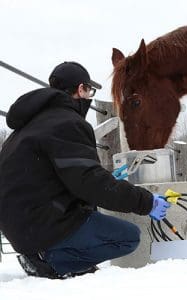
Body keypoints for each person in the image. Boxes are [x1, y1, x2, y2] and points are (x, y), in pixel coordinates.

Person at [0, 61, 170, 279]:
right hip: (41, 227)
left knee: (90, 211)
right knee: (128, 237)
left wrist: (105, 177)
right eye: (89, 90)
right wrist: (146, 202)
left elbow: (65, 176)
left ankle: (46, 254)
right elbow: (91, 184)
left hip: (21, 227)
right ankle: (52, 261)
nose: (89, 96)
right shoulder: (68, 123)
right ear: (80, 89)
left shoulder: (29, 126)